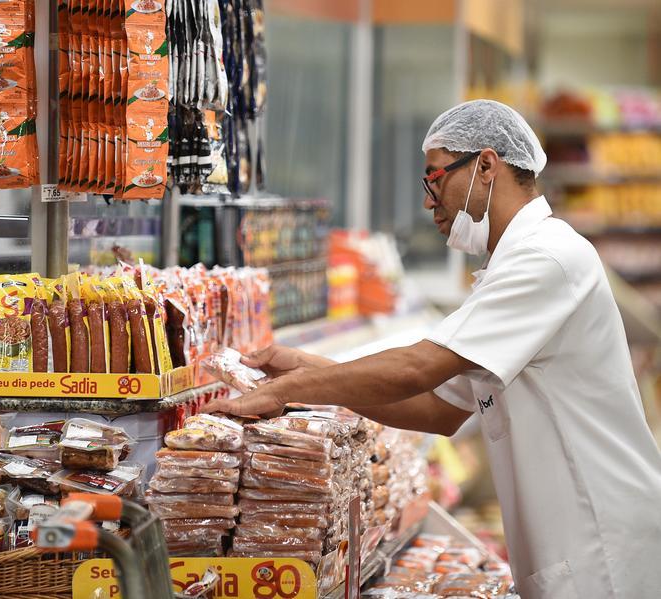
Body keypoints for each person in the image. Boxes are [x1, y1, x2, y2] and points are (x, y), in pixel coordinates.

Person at [203, 100, 661, 599]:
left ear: (486, 166)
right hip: (574, 549)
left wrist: (290, 389)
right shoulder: (513, 266)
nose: (428, 201)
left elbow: (418, 367)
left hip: (604, 552)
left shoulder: (547, 259)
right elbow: (437, 408)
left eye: (435, 178)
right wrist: (307, 369)